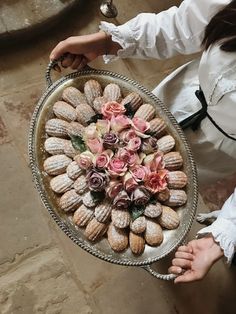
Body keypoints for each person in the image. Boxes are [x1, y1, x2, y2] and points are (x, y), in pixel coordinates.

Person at [50, 0, 236, 283]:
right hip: (181, 95)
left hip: (216, 148)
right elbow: (184, 24)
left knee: (166, 190)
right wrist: (107, 42)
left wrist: (223, 234)